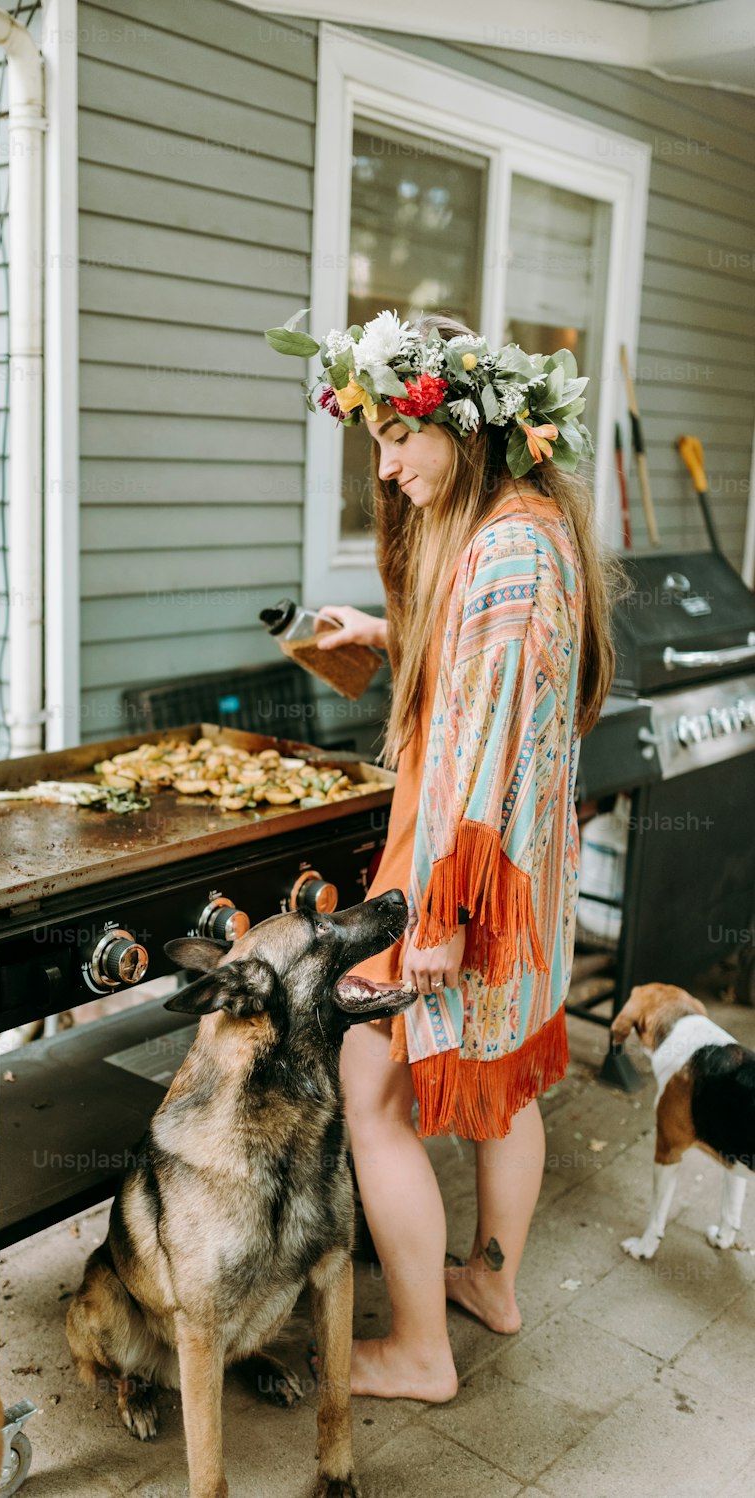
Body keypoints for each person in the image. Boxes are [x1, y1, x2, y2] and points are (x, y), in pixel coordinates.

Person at [265, 307, 621, 1401]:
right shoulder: (517, 530)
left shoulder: (508, 553)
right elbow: (479, 685)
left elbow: (481, 756)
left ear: (458, 423)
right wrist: (384, 640)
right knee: (503, 1091)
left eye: (394, 437)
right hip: (522, 890)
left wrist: (436, 922)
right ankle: (491, 1282)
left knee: (370, 1088)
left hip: (459, 885)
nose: (384, 465)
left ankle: (419, 1350)